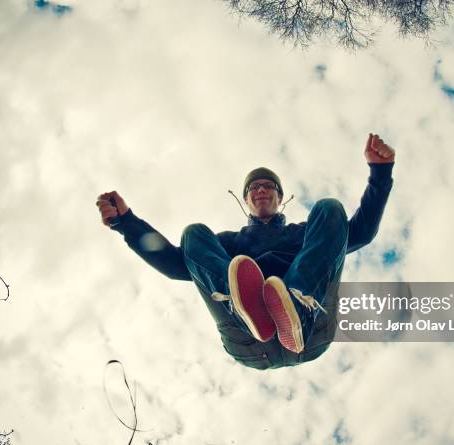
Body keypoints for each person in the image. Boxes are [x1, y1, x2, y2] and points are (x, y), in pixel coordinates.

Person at [96, 133, 394, 370]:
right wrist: (127, 223)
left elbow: (360, 233)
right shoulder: (227, 243)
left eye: (268, 186)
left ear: (280, 197)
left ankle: (297, 305)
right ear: (245, 200)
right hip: (248, 340)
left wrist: (380, 174)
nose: (261, 190)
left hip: (311, 332)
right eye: (254, 188)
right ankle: (245, 307)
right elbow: (176, 265)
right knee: (194, 234)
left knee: (329, 209)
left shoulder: (303, 233)